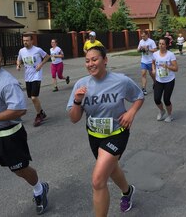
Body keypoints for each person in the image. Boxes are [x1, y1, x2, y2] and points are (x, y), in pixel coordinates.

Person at [0, 42, 49, 216]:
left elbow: (19, 110)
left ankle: (39, 189)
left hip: (9, 137)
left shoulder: (8, 82)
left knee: (21, 171)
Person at [67, 46, 144, 216]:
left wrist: (131, 112)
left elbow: (139, 96)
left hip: (117, 133)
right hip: (94, 135)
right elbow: (74, 118)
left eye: (94, 59)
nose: (90, 64)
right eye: (87, 61)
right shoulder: (81, 84)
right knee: (112, 168)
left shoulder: (121, 80)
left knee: (98, 180)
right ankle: (127, 191)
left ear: (105, 60)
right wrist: (77, 101)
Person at [17, 34, 50, 127]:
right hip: (28, 76)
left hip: (36, 75)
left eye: (27, 40)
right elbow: (19, 60)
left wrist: (41, 64)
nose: (25, 42)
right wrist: (18, 65)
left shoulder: (37, 50)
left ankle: (39, 115)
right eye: (24, 40)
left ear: (32, 41)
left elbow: (47, 56)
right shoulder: (21, 51)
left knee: (34, 97)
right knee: (31, 97)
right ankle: (42, 112)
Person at [152, 38, 178, 122]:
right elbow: (153, 63)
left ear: (166, 45)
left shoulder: (170, 55)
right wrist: (153, 69)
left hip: (169, 80)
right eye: (159, 43)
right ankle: (162, 111)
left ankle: (170, 115)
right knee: (157, 99)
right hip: (159, 80)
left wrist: (167, 66)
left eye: (163, 44)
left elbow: (176, 68)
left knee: (166, 100)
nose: (161, 45)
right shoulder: (155, 54)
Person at [137, 30, 157, 95]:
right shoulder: (141, 41)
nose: (142, 37)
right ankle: (144, 89)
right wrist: (140, 49)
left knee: (152, 75)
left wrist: (148, 49)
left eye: (144, 36)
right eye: (141, 36)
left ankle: (155, 83)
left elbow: (155, 50)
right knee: (143, 74)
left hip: (151, 61)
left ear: (147, 35)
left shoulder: (151, 41)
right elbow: (138, 50)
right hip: (144, 61)